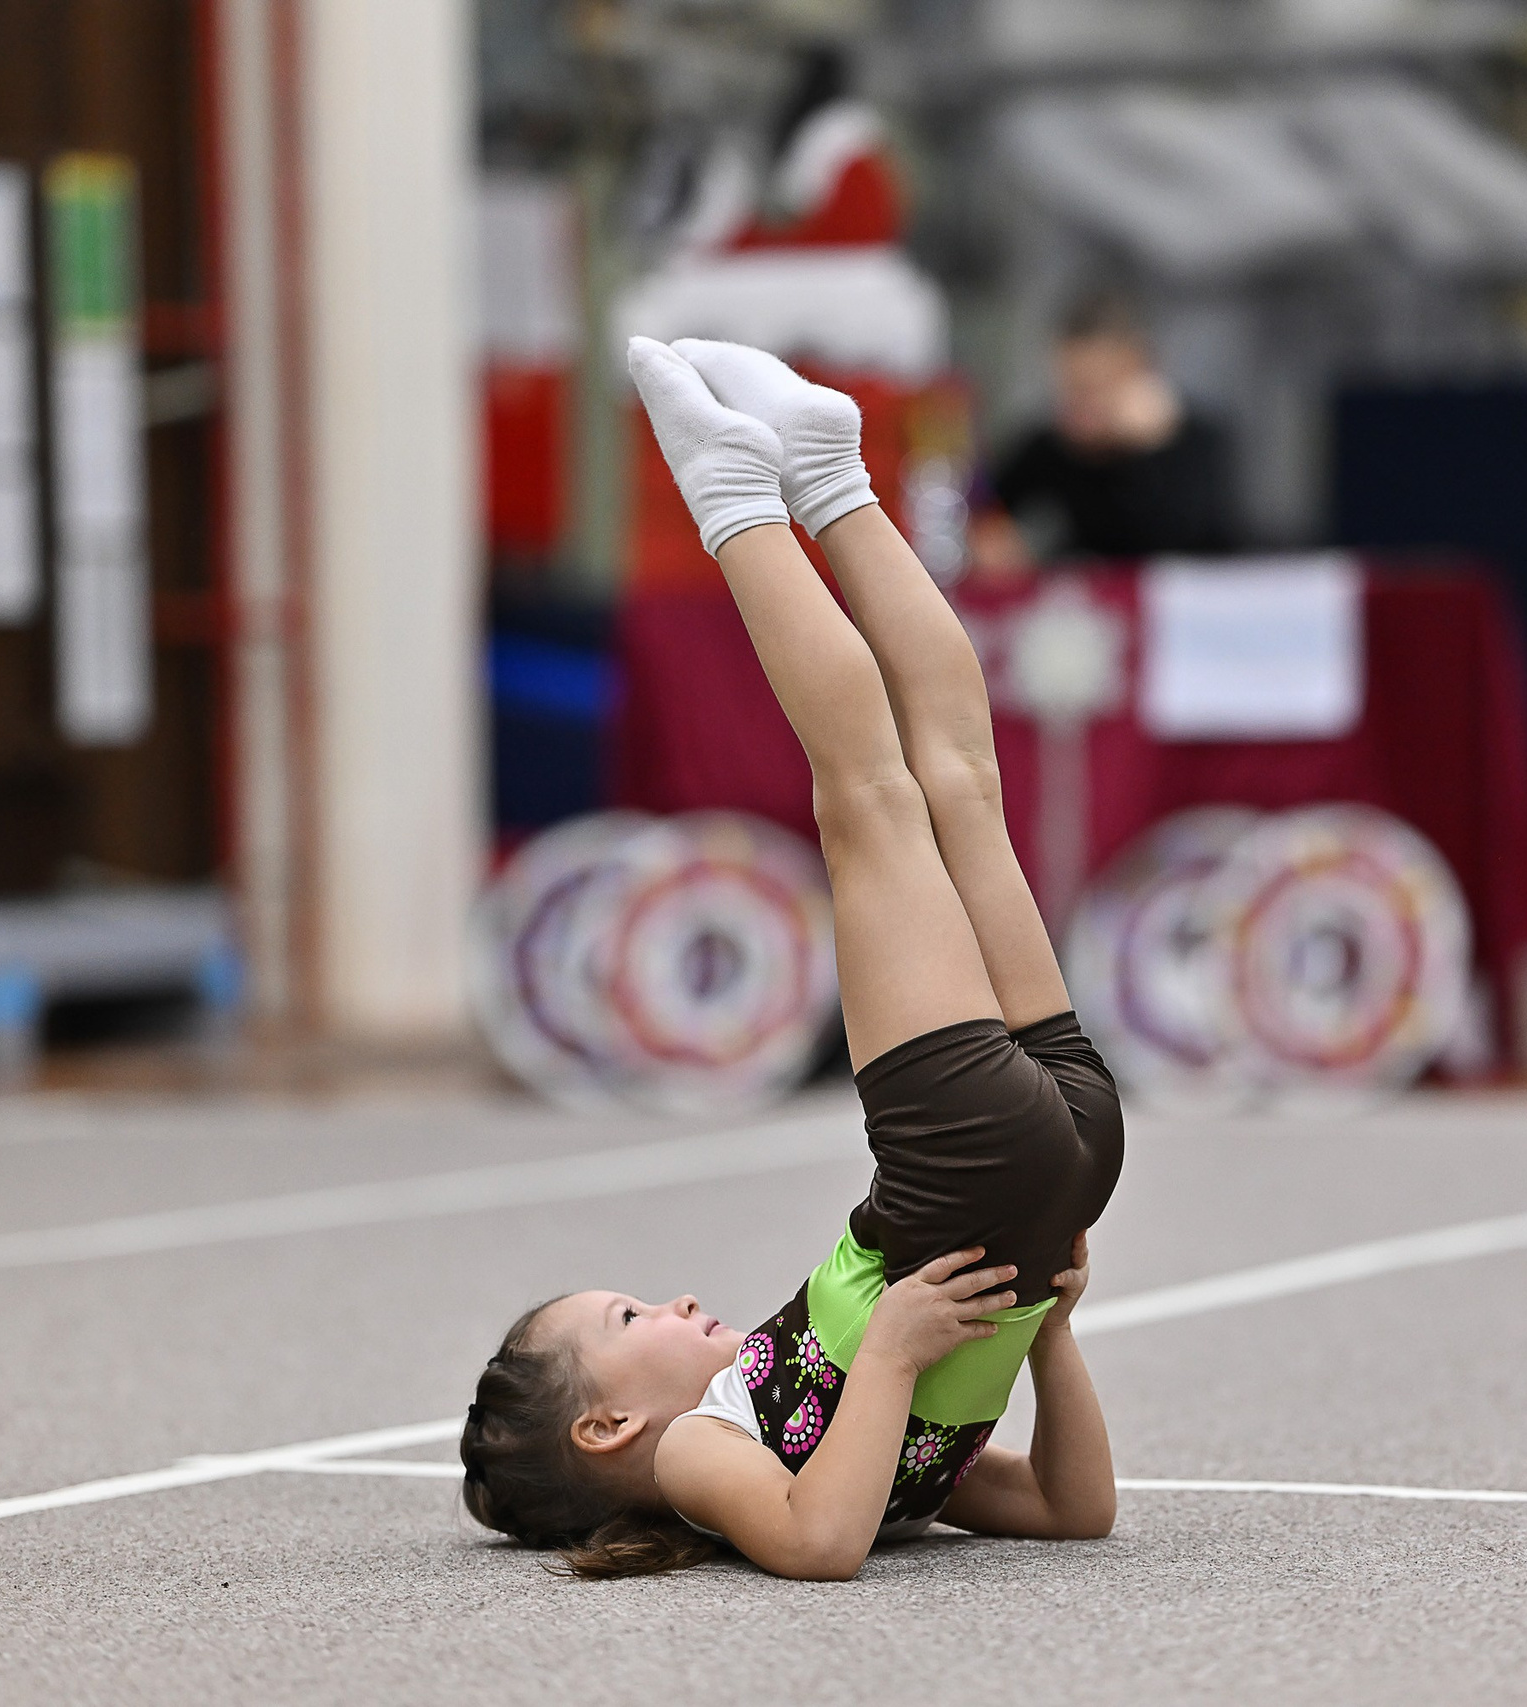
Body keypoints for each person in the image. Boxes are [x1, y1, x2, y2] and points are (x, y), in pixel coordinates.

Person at [460, 337, 1124, 1581]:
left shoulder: (837, 1436)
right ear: (611, 1427)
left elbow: (1053, 1510)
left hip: (1049, 1168)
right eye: (627, 1322)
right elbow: (837, 1546)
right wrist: (1027, 1338)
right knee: (870, 794)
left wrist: (1003, 1328)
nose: (668, 1305)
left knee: (957, 786)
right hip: (981, 1176)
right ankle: (738, 494)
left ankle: (832, 482)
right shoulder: (698, 1456)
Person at [974, 290, 1239, 576]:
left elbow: (1197, 543)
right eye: (1070, 388)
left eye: (1095, 387)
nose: (1081, 405)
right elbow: (984, 502)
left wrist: (1147, 452)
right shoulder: (1052, 447)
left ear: (1138, 368)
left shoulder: (1198, 441)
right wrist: (996, 540)